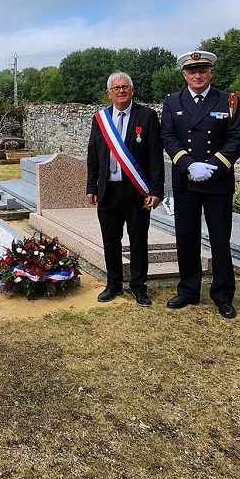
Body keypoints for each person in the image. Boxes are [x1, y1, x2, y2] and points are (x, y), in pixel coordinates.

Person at [160, 49, 240, 318]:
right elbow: (168, 137)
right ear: (184, 74)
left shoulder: (228, 101)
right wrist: (188, 164)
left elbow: (237, 139)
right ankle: (188, 290)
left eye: (202, 70)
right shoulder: (172, 102)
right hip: (186, 181)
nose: (197, 75)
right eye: (191, 71)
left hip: (217, 181)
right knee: (186, 237)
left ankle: (223, 294)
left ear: (211, 72)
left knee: (220, 239)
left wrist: (213, 166)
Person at [86, 72, 164, 306]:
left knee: (138, 239)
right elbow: (93, 154)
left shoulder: (147, 116)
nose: (121, 91)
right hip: (108, 189)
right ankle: (114, 284)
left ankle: (139, 287)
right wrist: (92, 186)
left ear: (132, 90)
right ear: (109, 93)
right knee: (111, 239)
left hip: (137, 191)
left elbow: (155, 157)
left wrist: (156, 190)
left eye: (125, 87)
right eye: (116, 88)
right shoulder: (100, 119)